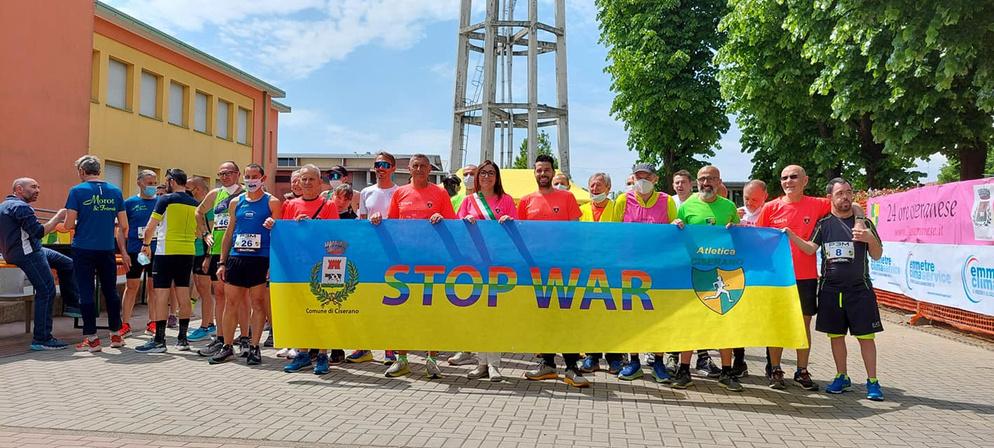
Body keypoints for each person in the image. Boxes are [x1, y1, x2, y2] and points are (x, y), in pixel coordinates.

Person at [784, 178, 885, 401]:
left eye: (849, 192)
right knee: (836, 337)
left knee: (866, 338)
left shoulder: (864, 223)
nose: (845, 197)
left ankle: (873, 381)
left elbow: (877, 255)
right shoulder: (824, 224)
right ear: (830, 197)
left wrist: (869, 239)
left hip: (860, 290)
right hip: (831, 291)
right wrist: (790, 234)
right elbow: (810, 249)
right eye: (840, 193)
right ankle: (842, 376)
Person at [374, 154, 456, 379]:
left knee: (431, 311)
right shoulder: (400, 193)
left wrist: (441, 218)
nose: (419, 169)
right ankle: (402, 359)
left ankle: (432, 359)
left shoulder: (440, 193)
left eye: (423, 166)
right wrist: (378, 220)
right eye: (415, 166)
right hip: (404, 262)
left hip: (432, 262)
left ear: (430, 170)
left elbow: (453, 224)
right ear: (409, 169)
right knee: (403, 311)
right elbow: (391, 224)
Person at [756, 165, 837, 391]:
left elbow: (848, 204)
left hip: (806, 277)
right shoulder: (770, 207)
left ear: (805, 180)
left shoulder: (818, 204)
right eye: (784, 178)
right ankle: (775, 369)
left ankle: (802, 371)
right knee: (776, 325)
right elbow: (757, 239)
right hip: (777, 278)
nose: (788, 181)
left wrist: (859, 218)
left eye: (793, 177)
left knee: (803, 325)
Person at [517, 154, 589, 388]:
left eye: (546, 170)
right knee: (543, 316)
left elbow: (576, 233)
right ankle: (547, 364)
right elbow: (521, 234)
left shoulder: (567, 198)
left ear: (553, 172)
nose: (542, 174)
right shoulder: (526, 201)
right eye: (539, 170)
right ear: (534, 173)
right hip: (537, 269)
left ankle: (571, 367)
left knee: (566, 316)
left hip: (564, 268)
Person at [670, 165, 743, 392]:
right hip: (694, 273)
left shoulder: (729, 206)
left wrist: (736, 230)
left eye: (711, 178)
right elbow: (676, 237)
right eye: (702, 178)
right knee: (690, 323)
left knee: (724, 322)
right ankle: (684, 370)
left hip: (723, 273)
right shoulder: (687, 206)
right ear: (697, 182)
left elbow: (740, 239)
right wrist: (675, 226)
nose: (706, 182)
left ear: (719, 181)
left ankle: (727, 372)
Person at [604, 163, 678, 384]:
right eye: (638, 177)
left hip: (659, 269)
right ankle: (634, 362)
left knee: (659, 316)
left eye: (646, 176)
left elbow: (674, 231)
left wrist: (677, 225)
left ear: (655, 179)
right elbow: (613, 232)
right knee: (631, 316)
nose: (642, 180)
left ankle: (658, 362)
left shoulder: (666, 201)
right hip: (630, 269)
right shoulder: (622, 200)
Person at [209, 164, 282, 365]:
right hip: (237, 257)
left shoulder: (272, 202)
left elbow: (278, 235)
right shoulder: (236, 202)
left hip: (261, 259)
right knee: (231, 303)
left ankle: (254, 347)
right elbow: (229, 233)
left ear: (263, 178)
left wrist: (273, 264)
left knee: (257, 303)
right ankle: (227, 346)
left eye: (254, 176)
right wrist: (222, 262)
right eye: (247, 177)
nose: (251, 180)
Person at [455, 160, 517, 381]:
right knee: (478, 316)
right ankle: (481, 363)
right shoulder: (468, 201)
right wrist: (465, 221)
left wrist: (510, 222)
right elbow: (457, 229)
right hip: (474, 264)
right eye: (483, 173)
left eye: (491, 173)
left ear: (497, 177)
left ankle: (494, 365)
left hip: (498, 264)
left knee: (495, 316)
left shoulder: (506, 200)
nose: (486, 177)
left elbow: (518, 231)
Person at [0, 178, 76, 350]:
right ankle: (42, 339)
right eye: (33, 187)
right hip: (28, 253)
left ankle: (72, 305)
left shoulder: (4, 206)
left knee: (67, 264)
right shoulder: (21, 207)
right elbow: (39, 232)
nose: (37, 190)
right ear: (19, 189)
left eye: (38, 187)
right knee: (47, 291)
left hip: (24, 250)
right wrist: (58, 217)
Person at [280, 164, 342, 374]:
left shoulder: (329, 205)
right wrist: (294, 225)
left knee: (323, 310)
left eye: (311, 179)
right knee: (300, 310)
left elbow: (335, 236)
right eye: (303, 179)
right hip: (299, 264)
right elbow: (285, 235)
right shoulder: (290, 205)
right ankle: (302, 353)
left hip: (323, 265)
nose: (306, 183)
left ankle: (323, 354)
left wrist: (315, 226)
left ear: (319, 182)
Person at [64, 155, 128, 352]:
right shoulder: (115, 191)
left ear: (82, 171)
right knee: (110, 291)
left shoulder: (76, 191)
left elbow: (68, 224)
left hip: (83, 248)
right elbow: (124, 225)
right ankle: (116, 335)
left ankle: (92, 339)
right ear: (99, 171)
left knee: (86, 291)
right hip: (107, 248)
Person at [135, 168, 199, 353]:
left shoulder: (165, 199)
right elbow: (198, 229)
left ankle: (159, 340)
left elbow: (150, 227)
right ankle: (183, 340)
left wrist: (146, 245)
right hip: (188, 252)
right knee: (183, 294)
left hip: (166, 252)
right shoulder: (195, 203)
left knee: (161, 295)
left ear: (172, 181)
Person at [347, 152, 399, 365]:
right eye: (377, 164)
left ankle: (390, 349)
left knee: (390, 302)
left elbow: (401, 223)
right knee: (366, 300)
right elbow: (361, 223)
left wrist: (384, 222)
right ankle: (363, 348)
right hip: (370, 253)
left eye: (385, 164)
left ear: (393, 168)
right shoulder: (366, 192)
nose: (381, 168)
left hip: (392, 254)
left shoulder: (399, 192)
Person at [195, 162, 246, 358]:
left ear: (237, 174)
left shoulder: (245, 193)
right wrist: (205, 233)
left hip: (239, 250)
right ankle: (221, 337)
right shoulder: (215, 194)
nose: (224, 177)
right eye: (221, 174)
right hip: (217, 250)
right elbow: (198, 212)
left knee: (241, 297)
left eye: (228, 173)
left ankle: (245, 338)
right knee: (219, 294)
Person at [577, 172, 623, 375]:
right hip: (588, 268)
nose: (595, 189)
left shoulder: (617, 208)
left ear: (608, 188)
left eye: (599, 185)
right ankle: (592, 356)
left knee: (612, 313)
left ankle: (614, 358)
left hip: (612, 268)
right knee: (591, 313)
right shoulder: (581, 211)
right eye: (592, 185)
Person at [120, 170, 158, 338]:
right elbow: (121, 230)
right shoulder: (129, 203)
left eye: (155, 183)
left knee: (154, 288)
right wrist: (124, 252)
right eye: (149, 183)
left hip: (156, 251)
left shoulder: (160, 203)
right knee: (131, 287)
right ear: (139, 183)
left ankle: (153, 323)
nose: (153, 186)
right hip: (136, 251)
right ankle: (125, 324)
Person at [186, 176, 216, 343]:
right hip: (196, 252)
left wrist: (208, 257)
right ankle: (209, 323)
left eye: (188, 188)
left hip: (204, 253)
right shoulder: (197, 207)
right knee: (201, 288)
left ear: (197, 189)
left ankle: (205, 326)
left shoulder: (209, 208)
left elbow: (213, 234)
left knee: (205, 291)